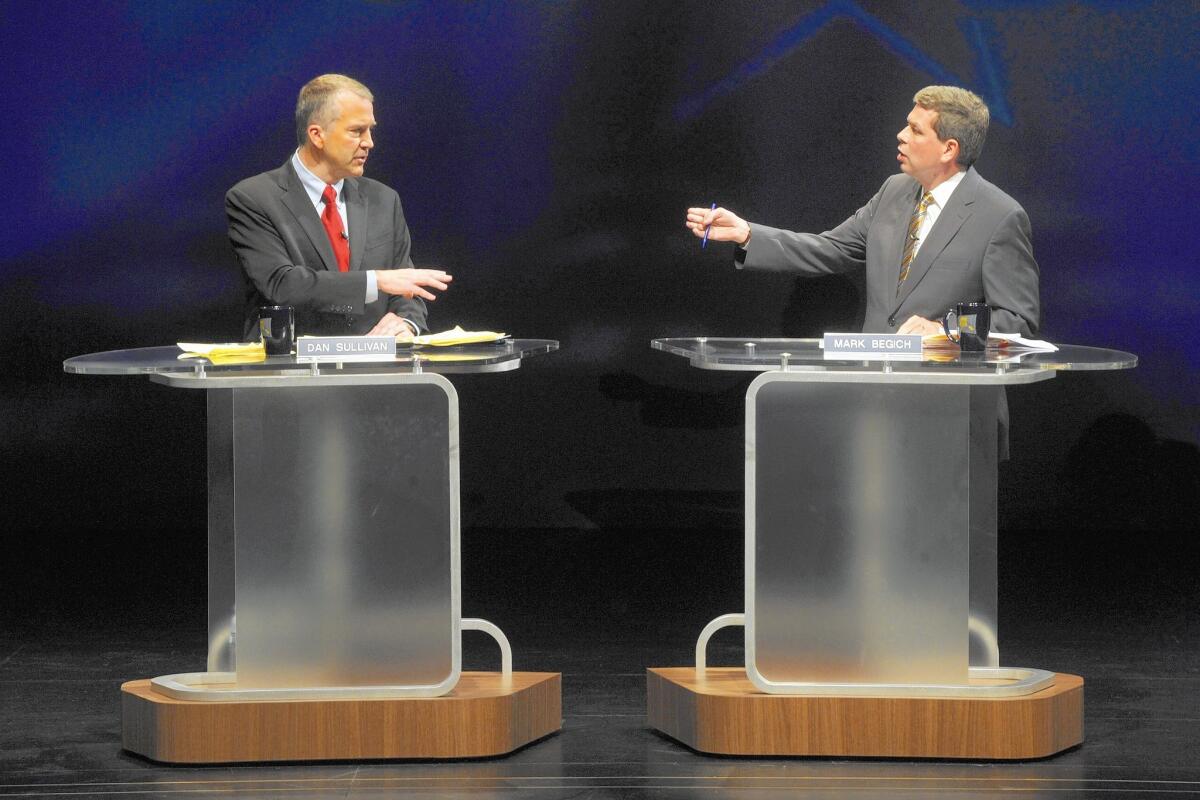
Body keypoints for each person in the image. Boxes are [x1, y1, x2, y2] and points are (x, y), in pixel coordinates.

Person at [685, 85, 1039, 339]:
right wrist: (746, 233)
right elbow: (832, 249)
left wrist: (947, 330)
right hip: (876, 389)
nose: (900, 135)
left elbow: (1017, 320)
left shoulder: (999, 216)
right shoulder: (893, 191)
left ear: (949, 149)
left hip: (954, 407)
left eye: (915, 130)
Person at [227, 74, 451, 340]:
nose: (369, 142)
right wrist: (374, 281)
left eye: (370, 130)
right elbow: (282, 284)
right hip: (288, 372)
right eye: (357, 131)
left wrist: (406, 323)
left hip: (375, 372)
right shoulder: (253, 198)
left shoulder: (384, 200)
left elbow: (405, 286)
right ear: (317, 135)